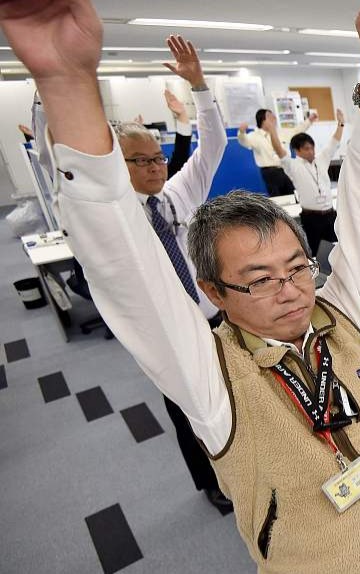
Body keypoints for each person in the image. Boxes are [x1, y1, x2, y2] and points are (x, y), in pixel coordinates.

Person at [7, 1, 360, 572]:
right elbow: (121, 261)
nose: (291, 290)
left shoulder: (343, 315)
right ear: (213, 292)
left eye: (297, 268)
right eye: (259, 280)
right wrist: (66, 81)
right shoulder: (212, 374)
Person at [110, 34, 230, 511]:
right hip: (169, 335)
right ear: (118, 166)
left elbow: (214, 144)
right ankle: (210, 484)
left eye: (158, 157)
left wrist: (199, 86)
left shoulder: (179, 192)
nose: (155, 167)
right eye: (140, 160)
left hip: (214, 318)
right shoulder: (118, 217)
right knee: (188, 413)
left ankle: (237, 467)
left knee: (230, 396)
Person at [268, 109, 346, 256]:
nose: (311, 151)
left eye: (312, 147)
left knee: (336, 251)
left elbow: (334, 141)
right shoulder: (293, 165)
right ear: (297, 151)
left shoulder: (321, 159)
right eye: (306, 149)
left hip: (330, 214)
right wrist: (272, 129)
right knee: (316, 253)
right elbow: (279, 150)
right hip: (311, 217)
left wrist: (341, 123)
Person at [238, 109, 314, 196]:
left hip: (286, 169)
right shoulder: (254, 135)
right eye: (269, 116)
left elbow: (296, 131)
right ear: (262, 120)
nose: (274, 118)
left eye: (273, 116)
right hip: (270, 172)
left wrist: (309, 121)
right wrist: (241, 132)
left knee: (293, 195)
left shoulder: (281, 132)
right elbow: (244, 141)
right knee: (278, 197)